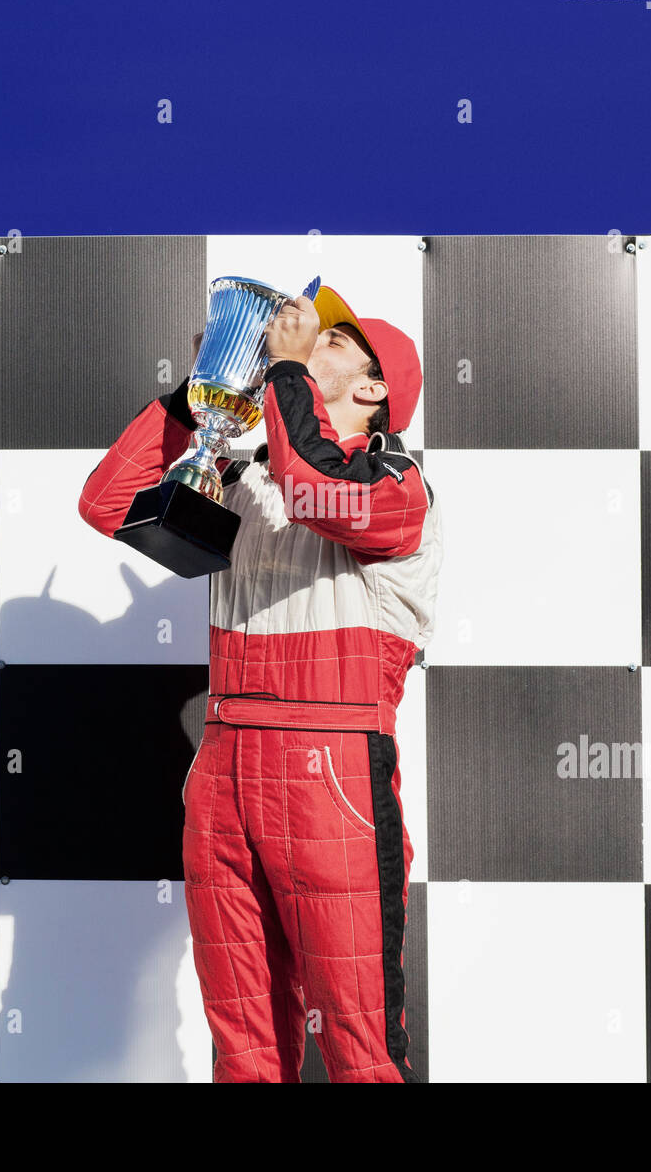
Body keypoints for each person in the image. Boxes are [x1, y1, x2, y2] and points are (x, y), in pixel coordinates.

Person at [77, 284, 441, 1082]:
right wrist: (199, 393)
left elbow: (316, 488)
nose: (308, 338)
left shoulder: (400, 487)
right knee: (245, 1054)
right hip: (224, 776)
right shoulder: (240, 484)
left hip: (333, 776)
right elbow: (105, 504)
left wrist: (281, 370)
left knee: (359, 1049)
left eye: (335, 341)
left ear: (374, 390)